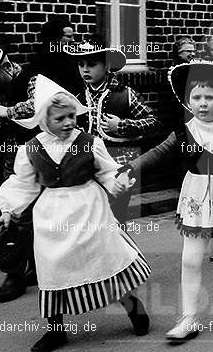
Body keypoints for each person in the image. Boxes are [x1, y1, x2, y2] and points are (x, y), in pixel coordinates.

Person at [0, 76, 150, 352]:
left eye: (71, 116)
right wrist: (8, 209)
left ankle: (133, 308)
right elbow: (22, 183)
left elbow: (107, 172)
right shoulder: (31, 149)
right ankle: (56, 330)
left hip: (89, 208)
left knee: (105, 258)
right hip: (51, 216)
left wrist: (119, 182)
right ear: (44, 120)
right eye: (60, 118)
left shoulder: (89, 142)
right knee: (52, 268)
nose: (68, 122)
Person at [123, 61, 213, 341]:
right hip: (197, 198)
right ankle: (189, 317)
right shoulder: (185, 131)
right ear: (187, 100)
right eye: (196, 97)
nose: (202, 103)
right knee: (190, 259)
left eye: (209, 97)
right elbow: (158, 153)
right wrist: (129, 169)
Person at [64, 36, 160, 222]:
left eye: (91, 64)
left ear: (106, 66)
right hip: (88, 165)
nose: (85, 69)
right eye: (81, 64)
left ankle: (119, 249)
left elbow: (154, 122)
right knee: (92, 219)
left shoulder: (125, 94)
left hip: (119, 166)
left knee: (114, 218)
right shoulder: (78, 98)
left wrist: (122, 125)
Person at [0, 41, 38, 302]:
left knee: (36, 216)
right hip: (11, 159)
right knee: (14, 212)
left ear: (5, 67)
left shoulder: (32, 78)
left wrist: (8, 111)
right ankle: (18, 271)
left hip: (41, 157)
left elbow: (39, 105)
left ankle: (27, 270)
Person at [33, 16, 81, 96]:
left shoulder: (71, 57)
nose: (73, 40)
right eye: (69, 36)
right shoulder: (44, 61)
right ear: (56, 38)